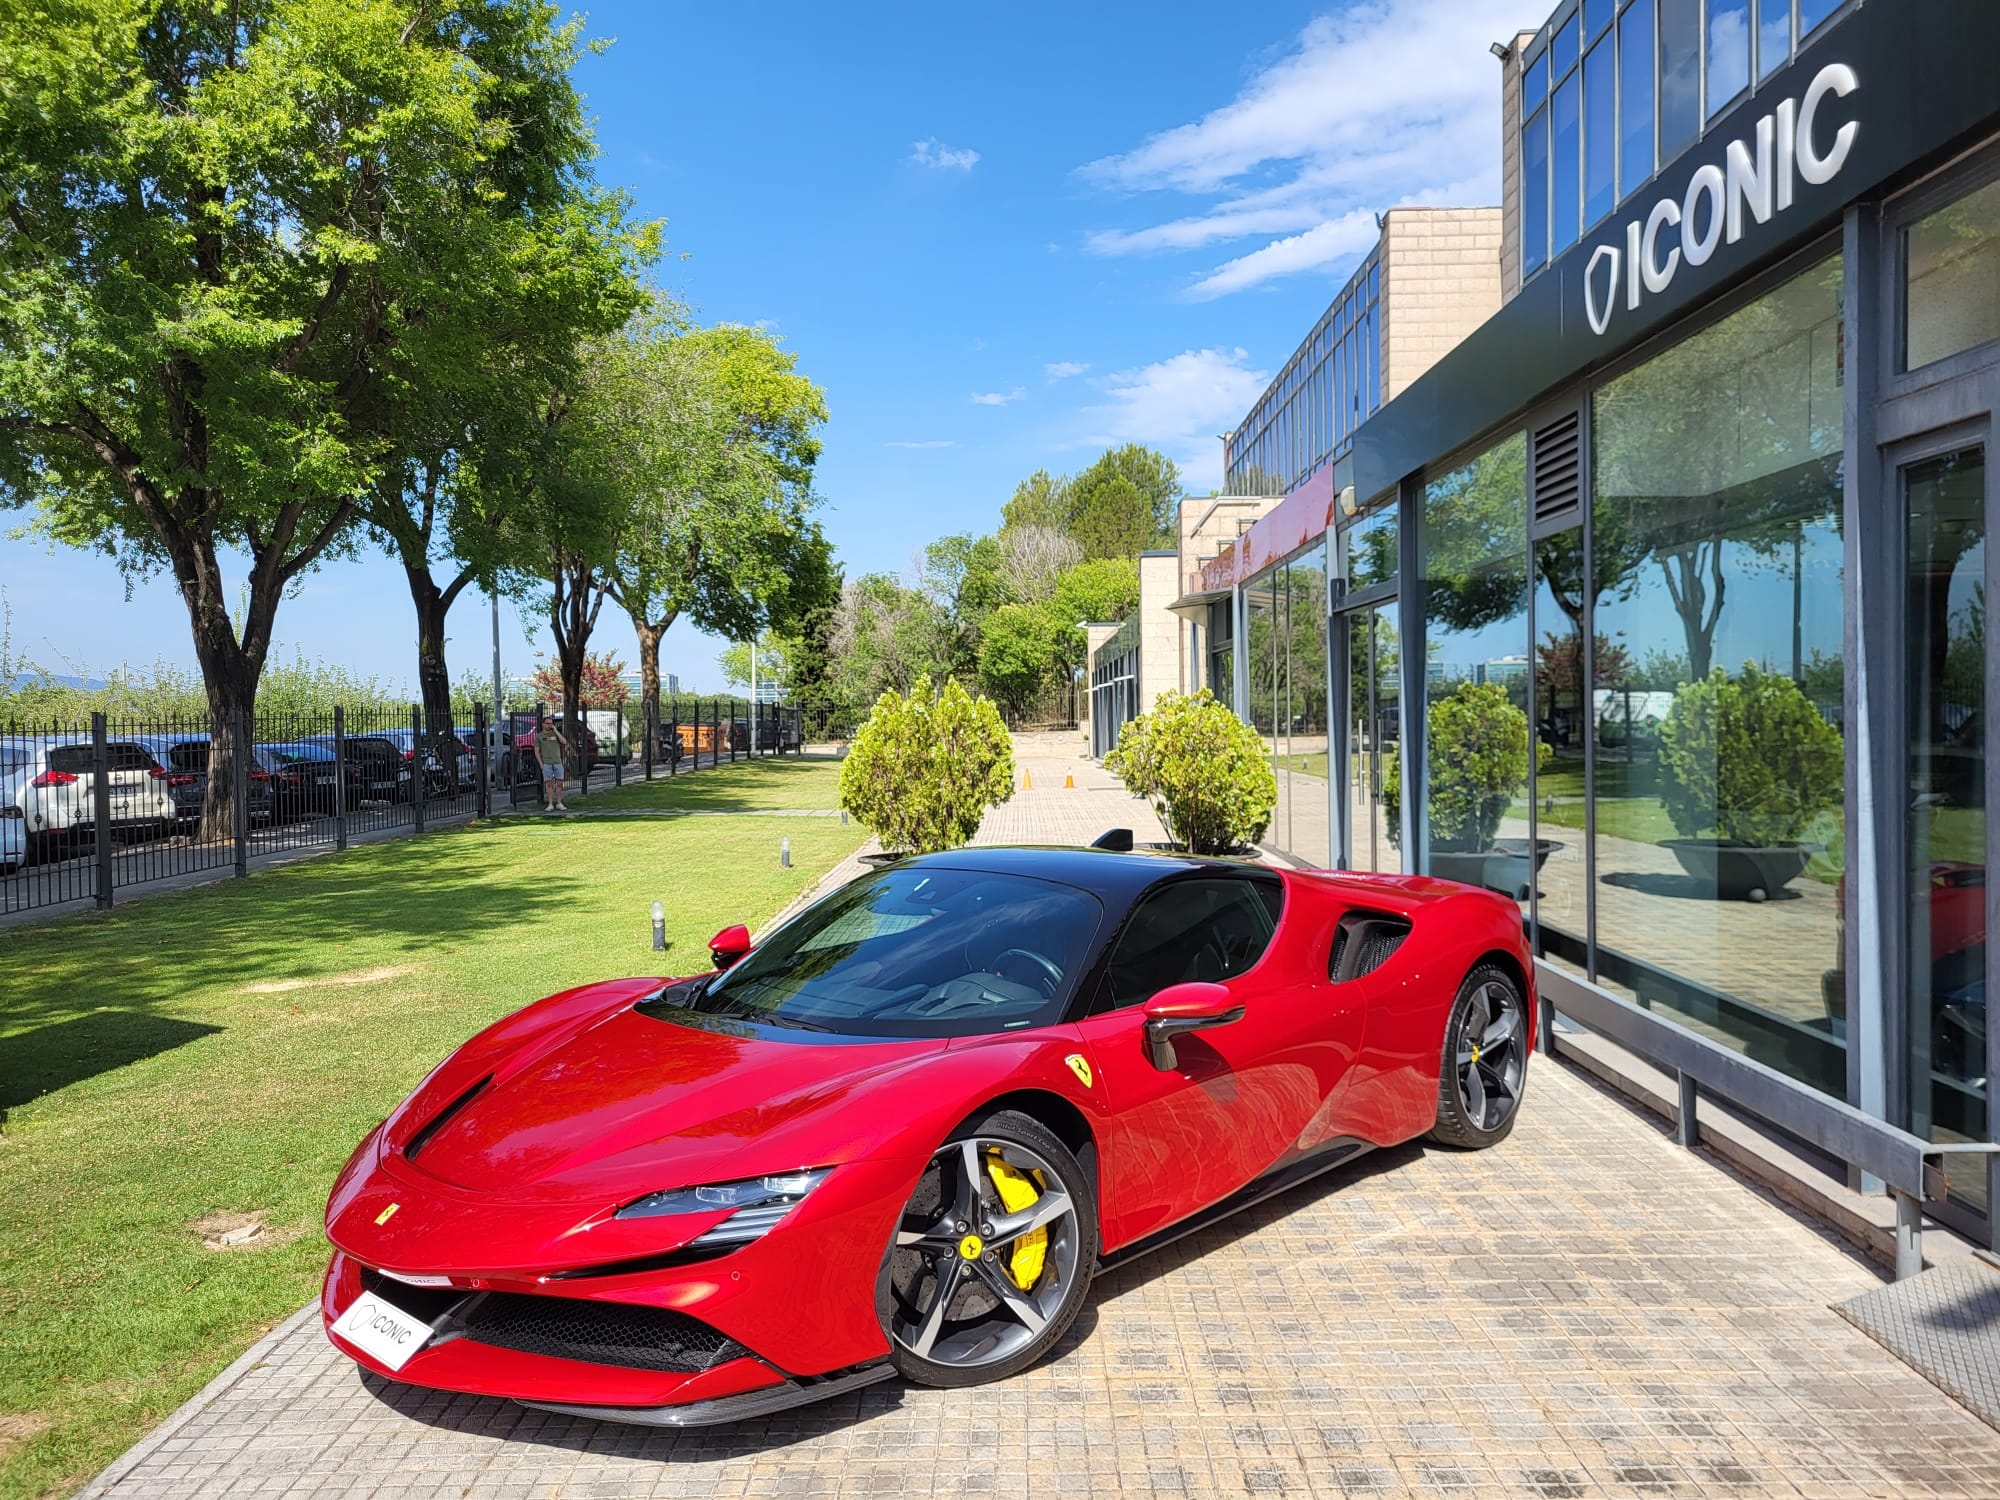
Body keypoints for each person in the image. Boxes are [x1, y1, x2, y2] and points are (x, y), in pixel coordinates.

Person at [534, 715, 571, 813]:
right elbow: (536, 751)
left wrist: (556, 731)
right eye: (547, 723)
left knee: (559, 783)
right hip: (547, 763)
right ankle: (550, 804)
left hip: (557, 762)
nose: (549, 725)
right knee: (549, 784)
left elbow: (564, 742)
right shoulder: (539, 736)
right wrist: (541, 763)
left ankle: (559, 802)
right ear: (543, 724)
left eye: (551, 723)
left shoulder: (555, 734)